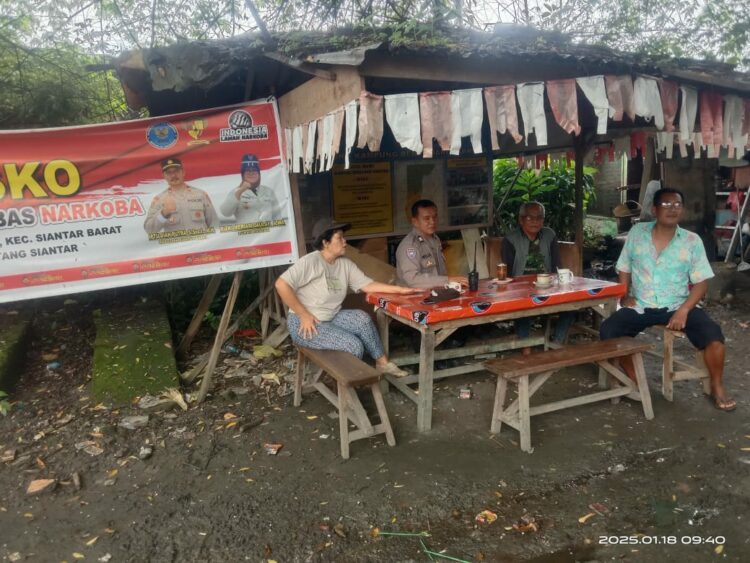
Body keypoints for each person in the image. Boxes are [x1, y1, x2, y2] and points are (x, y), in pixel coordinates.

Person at [600, 187, 735, 411]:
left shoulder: (691, 241)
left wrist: (683, 311)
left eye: (677, 205)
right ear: (654, 210)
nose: (673, 209)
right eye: (666, 204)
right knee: (609, 331)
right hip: (641, 305)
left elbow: (701, 282)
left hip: (677, 304)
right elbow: (624, 266)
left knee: (714, 335)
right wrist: (625, 295)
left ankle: (717, 386)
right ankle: (635, 380)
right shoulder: (637, 233)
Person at [275, 222, 423, 377]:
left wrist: (402, 290)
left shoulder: (345, 264)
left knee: (362, 319)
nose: (345, 242)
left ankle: (382, 364)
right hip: (304, 324)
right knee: (353, 346)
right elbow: (281, 285)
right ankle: (348, 384)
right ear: (325, 243)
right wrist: (303, 315)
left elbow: (368, 285)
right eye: (340, 238)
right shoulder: (311, 262)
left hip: (330, 317)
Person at [502, 201, 574, 345]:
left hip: (547, 284)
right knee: (522, 304)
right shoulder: (510, 239)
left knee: (573, 303)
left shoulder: (549, 235)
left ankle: (558, 340)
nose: (535, 222)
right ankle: (526, 346)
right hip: (520, 287)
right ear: (521, 220)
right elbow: (508, 272)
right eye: (530, 218)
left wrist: (558, 284)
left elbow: (556, 264)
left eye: (539, 218)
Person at [396, 199, 468, 288]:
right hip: (413, 297)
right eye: (427, 218)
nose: (432, 222)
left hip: (436, 293)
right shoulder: (410, 246)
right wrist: (447, 280)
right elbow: (412, 279)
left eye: (434, 217)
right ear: (415, 221)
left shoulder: (434, 239)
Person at [143, 158, 218, 234]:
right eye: (168, 173)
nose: (173, 175)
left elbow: (214, 224)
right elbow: (149, 230)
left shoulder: (200, 194)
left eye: (176, 171)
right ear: (164, 176)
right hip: (176, 246)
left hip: (201, 245)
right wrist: (164, 213)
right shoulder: (159, 199)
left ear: (183, 172)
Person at [220, 154, 279, 223]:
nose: (251, 174)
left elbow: (277, 215)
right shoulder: (235, 192)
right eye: (248, 171)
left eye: (254, 171)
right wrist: (240, 190)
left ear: (259, 174)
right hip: (247, 233)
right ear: (243, 175)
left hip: (269, 232)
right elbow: (225, 213)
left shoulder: (268, 191)